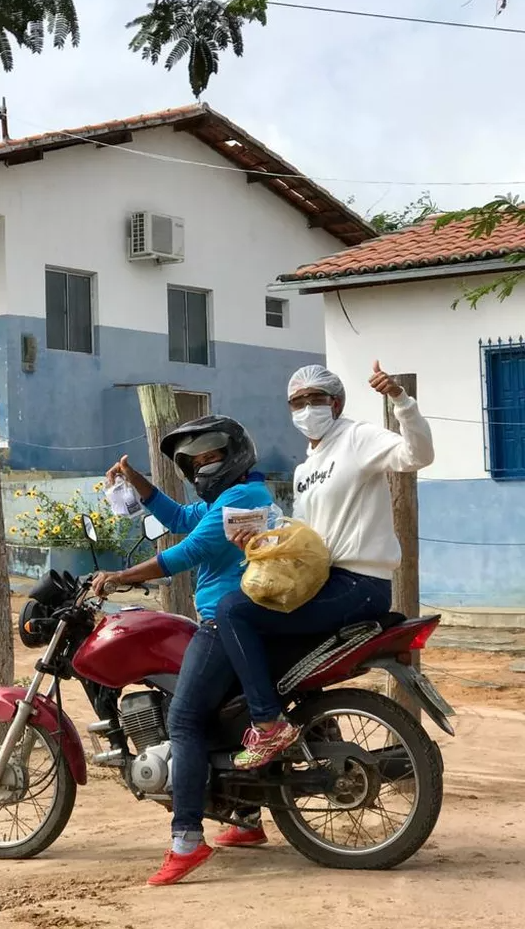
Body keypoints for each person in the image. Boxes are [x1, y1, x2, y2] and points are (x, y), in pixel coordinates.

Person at [216, 361, 435, 772]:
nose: (306, 408)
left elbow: (417, 455)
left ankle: (267, 724)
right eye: (296, 402)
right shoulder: (305, 468)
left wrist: (400, 400)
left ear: (336, 402)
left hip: (359, 583)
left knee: (231, 610)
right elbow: (309, 535)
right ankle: (283, 765)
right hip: (323, 581)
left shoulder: (356, 437)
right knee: (267, 650)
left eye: (315, 399)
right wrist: (260, 536)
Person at [90, 416, 274, 886]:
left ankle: (187, 840)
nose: (201, 467)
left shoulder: (240, 500)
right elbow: (177, 518)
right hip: (239, 618)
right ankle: (245, 818)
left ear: (233, 451)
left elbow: (184, 553)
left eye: (210, 456)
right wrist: (136, 481)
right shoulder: (232, 498)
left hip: (224, 622)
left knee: (185, 719)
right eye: (193, 462)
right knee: (220, 719)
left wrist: (119, 577)